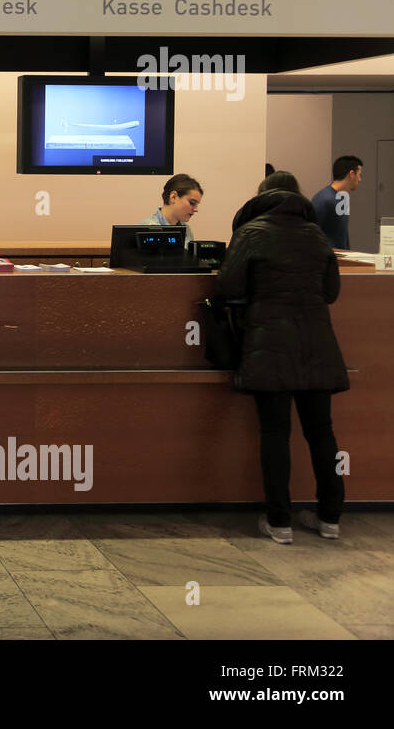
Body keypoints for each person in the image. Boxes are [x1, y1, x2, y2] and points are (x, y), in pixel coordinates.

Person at [217, 171, 348, 544]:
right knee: (321, 431)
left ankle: (279, 521)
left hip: (268, 344)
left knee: (276, 433)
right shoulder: (316, 234)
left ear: (262, 196)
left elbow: (228, 286)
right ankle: (330, 517)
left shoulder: (251, 232)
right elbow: (331, 291)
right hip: (316, 344)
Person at [310, 155, 362, 250]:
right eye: (359, 175)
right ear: (351, 174)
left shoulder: (343, 198)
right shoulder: (323, 199)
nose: (360, 179)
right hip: (326, 260)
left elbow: (342, 235)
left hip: (342, 260)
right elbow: (312, 234)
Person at [140, 173, 201, 246]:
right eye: (192, 203)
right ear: (173, 197)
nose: (196, 209)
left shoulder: (187, 230)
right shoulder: (148, 228)